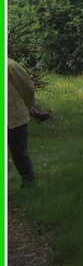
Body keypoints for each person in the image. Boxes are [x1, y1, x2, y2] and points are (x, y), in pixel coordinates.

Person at [7, 58, 37, 187]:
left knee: (19, 153)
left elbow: (28, 89)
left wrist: (29, 106)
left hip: (14, 118)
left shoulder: (11, 67)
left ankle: (28, 182)